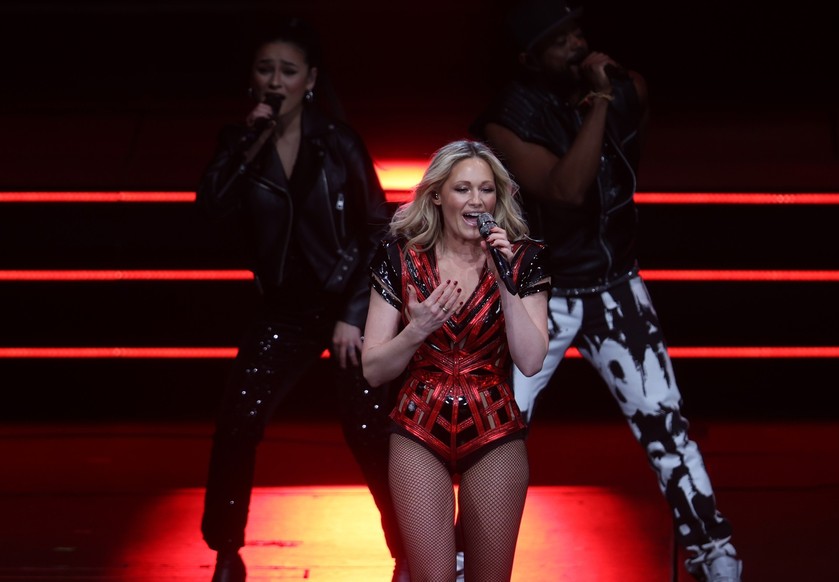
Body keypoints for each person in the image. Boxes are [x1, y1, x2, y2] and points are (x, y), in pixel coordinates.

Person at [470, 1, 744, 581]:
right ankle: (467, 559)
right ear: (529, 59)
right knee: (496, 433)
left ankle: (715, 554)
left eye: (576, 33)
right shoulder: (506, 120)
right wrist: (599, 102)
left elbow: (630, 132)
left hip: (615, 283)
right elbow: (566, 190)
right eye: (558, 41)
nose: (576, 45)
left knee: (665, 427)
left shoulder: (621, 92)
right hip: (536, 293)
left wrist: (609, 97)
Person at [195, 18, 406, 582]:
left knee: (369, 432)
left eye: (287, 71)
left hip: (346, 306)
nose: (275, 80)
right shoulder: (241, 145)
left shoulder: (337, 143)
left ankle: (410, 551)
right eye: (265, 69)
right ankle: (226, 553)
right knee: (238, 419)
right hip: (282, 311)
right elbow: (209, 208)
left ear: (309, 79)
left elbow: (375, 231)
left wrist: (353, 315)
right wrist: (247, 141)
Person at [361, 140, 551, 582]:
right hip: (417, 430)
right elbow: (373, 370)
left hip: (494, 431)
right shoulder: (400, 258)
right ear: (437, 196)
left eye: (486, 190)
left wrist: (505, 278)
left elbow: (530, 360)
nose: (476, 200)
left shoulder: (525, 259)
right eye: (463, 189)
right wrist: (417, 328)